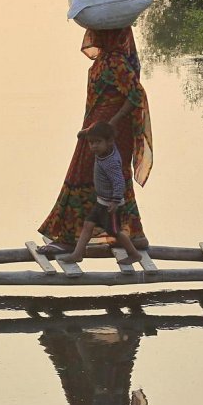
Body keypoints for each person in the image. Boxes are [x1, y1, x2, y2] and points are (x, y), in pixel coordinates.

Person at [38, 27, 153, 255]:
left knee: (92, 175)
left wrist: (113, 122)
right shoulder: (105, 59)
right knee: (96, 175)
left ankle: (72, 238)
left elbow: (136, 95)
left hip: (111, 132)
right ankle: (131, 234)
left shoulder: (117, 62)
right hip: (96, 129)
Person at [58, 122, 142, 266]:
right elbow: (97, 131)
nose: (94, 146)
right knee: (88, 225)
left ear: (109, 142)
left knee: (115, 232)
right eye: (91, 143)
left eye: (98, 142)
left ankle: (134, 254)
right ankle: (77, 254)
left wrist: (115, 202)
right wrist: (85, 133)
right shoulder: (105, 150)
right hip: (100, 202)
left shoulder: (111, 162)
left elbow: (119, 182)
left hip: (110, 205)